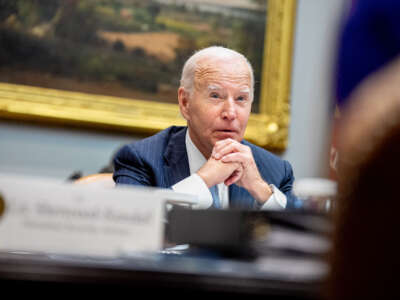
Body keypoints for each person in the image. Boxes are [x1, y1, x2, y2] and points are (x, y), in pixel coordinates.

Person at [113, 46, 297, 210]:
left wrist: (259, 188)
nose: (230, 113)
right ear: (185, 103)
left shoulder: (277, 171)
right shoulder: (141, 160)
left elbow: (301, 238)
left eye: (241, 98)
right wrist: (203, 180)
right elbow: (129, 226)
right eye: (216, 96)